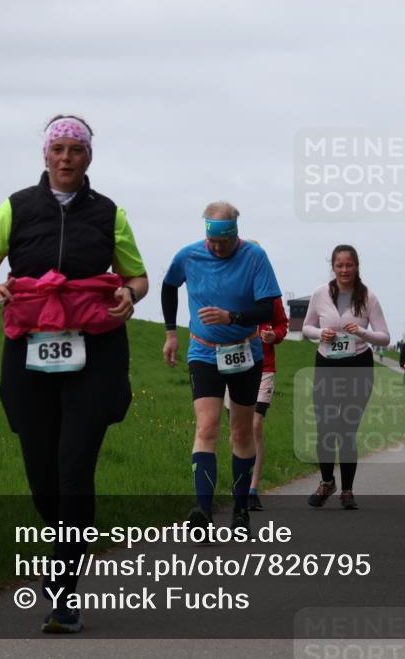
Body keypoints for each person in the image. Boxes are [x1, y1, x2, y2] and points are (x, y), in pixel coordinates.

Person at [0, 115, 148, 633]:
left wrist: (128, 294)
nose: (66, 158)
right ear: (45, 154)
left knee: (74, 470)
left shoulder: (111, 213)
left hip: (97, 349)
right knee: (43, 478)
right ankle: (66, 541)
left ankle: (63, 593)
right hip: (30, 350)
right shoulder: (16, 207)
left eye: (76, 149)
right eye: (58, 149)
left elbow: (138, 276)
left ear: (90, 157)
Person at [161, 202, 282, 532]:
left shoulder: (255, 257)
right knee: (207, 426)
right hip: (203, 352)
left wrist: (232, 317)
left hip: (245, 352)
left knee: (241, 431)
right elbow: (169, 285)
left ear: (235, 235)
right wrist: (171, 333)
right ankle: (203, 511)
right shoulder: (189, 255)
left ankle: (240, 508)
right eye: (212, 241)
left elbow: (266, 311)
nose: (217, 248)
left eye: (224, 242)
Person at [302, 245, 390, 510]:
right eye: (339, 265)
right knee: (326, 428)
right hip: (327, 364)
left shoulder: (368, 297)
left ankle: (348, 491)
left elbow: (384, 336)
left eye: (348, 265)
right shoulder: (320, 294)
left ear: (356, 266)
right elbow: (307, 328)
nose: (344, 270)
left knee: (346, 429)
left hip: (358, 365)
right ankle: (327, 481)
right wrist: (321, 334)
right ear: (333, 266)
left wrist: (363, 332)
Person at [225, 294, 289, 511]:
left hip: (264, 368)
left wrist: (275, 336)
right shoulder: (232, 285)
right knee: (238, 429)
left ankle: (252, 489)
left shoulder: (271, 295)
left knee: (255, 425)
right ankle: (239, 483)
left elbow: (282, 324)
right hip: (233, 365)